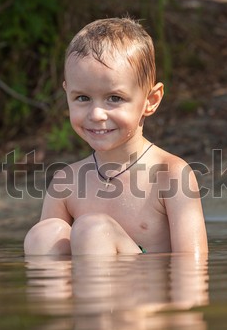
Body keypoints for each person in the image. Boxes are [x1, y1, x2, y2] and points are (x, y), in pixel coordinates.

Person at [24, 17, 208, 255]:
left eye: (114, 98)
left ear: (150, 101)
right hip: (82, 288)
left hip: (144, 288)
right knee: (45, 233)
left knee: (93, 229)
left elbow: (192, 267)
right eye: (82, 98)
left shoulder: (170, 175)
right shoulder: (65, 183)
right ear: (67, 94)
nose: (97, 114)